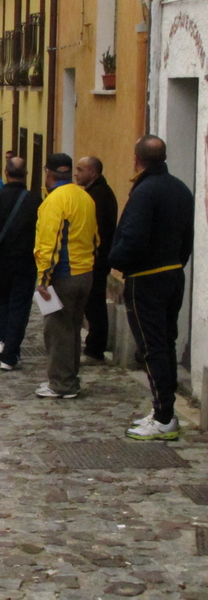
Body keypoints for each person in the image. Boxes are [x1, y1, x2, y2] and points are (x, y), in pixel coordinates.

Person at [109, 136, 194, 441]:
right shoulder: (181, 189)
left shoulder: (145, 192)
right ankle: (164, 410)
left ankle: (164, 416)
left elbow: (132, 237)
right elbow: (188, 236)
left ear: (137, 160)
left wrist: (115, 261)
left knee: (151, 346)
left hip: (145, 277)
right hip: (173, 274)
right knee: (165, 343)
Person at [34, 153, 99, 398]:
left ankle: (61, 384)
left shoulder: (54, 201)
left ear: (47, 173)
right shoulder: (85, 197)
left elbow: (49, 242)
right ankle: (69, 379)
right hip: (85, 272)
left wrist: (43, 279)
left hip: (62, 274)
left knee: (58, 331)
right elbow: (95, 238)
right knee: (72, 329)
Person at [0, 158, 43, 371]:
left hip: (1, 260)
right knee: (20, 306)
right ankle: (10, 354)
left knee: (2, 300)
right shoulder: (35, 201)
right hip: (26, 260)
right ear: (26, 174)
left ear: (6, 173)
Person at [74, 156, 118, 364]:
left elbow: (98, 230)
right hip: (98, 257)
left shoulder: (98, 196)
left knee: (94, 304)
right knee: (94, 303)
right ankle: (95, 346)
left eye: (80, 169)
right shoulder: (97, 193)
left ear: (93, 172)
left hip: (97, 259)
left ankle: (95, 349)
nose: (76, 173)